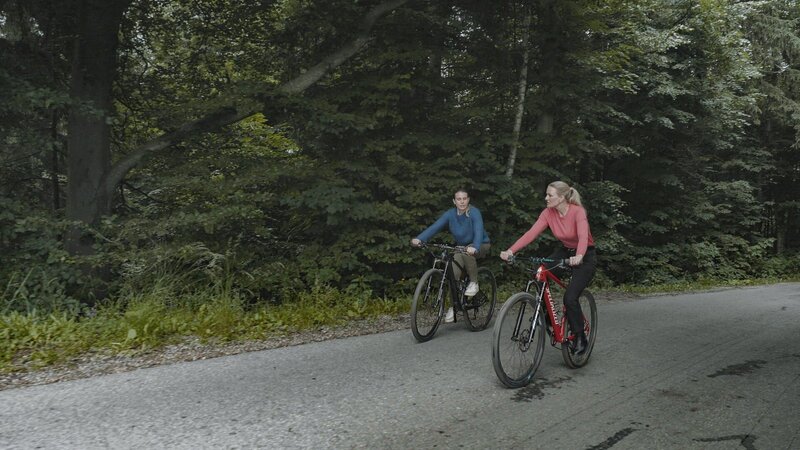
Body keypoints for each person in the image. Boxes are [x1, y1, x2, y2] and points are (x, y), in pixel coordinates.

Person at [499, 181, 596, 355]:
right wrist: (511, 250)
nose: (546, 198)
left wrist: (579, 256)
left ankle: (580, 336)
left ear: (561, 197)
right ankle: (548, 317)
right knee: (540, 271)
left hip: (585, 255)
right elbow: (531, 233)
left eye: (550, 195)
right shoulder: (548, 213)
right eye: (547, 194)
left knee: (570, 297)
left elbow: (582, 237)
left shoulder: (578, 212)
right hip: (565, 252)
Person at [412, 188, 491, 323]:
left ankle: (474, 283)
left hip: (480, 244)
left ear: (468, 200)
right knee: (452, 275)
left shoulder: (474, 213)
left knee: (468, 251)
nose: (462, 201)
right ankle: (453, 306)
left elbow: (478, 231)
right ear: (454, 201)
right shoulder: (450, 214)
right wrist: (420, 239)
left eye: (464, 198)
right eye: (459, 199)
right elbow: (435, 227)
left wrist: (475, 247)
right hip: (461, 248)